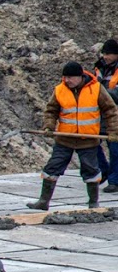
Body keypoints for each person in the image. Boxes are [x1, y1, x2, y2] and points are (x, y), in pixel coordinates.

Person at [28, 61, 118, 211]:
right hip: (65, 139)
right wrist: (49, 126)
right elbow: (51, 111)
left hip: (87, 139)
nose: (67, 80)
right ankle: (43, 201)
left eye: (70, 77)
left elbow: (111, 111)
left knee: (91, 171)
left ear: (80, 76)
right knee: (52, 168)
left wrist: (113, 131)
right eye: (65, 77)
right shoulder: (60, 90)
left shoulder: (96, 89)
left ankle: (93, 203)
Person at [95, 40, 118, 193]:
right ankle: (104, 170)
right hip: (100, 113)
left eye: (108, 53)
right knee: (91, 143)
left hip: (115, 114)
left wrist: (100, 95)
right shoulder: (99, 67)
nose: (105, 56)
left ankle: (114, 181)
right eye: (104, 53)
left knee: (115, 148)